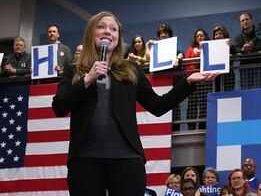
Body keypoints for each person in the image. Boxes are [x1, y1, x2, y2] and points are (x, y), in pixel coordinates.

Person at [51, 11, 218, 196]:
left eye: (113, 29)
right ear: (91, 33)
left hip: (127, 159)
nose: (108, 32)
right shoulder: (73, 69)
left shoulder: (131, 69)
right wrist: (88, 79)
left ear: (118, 37)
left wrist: (188, 82)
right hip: (84, 159)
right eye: (101, 27)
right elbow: (59, 106)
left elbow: (158, 106)